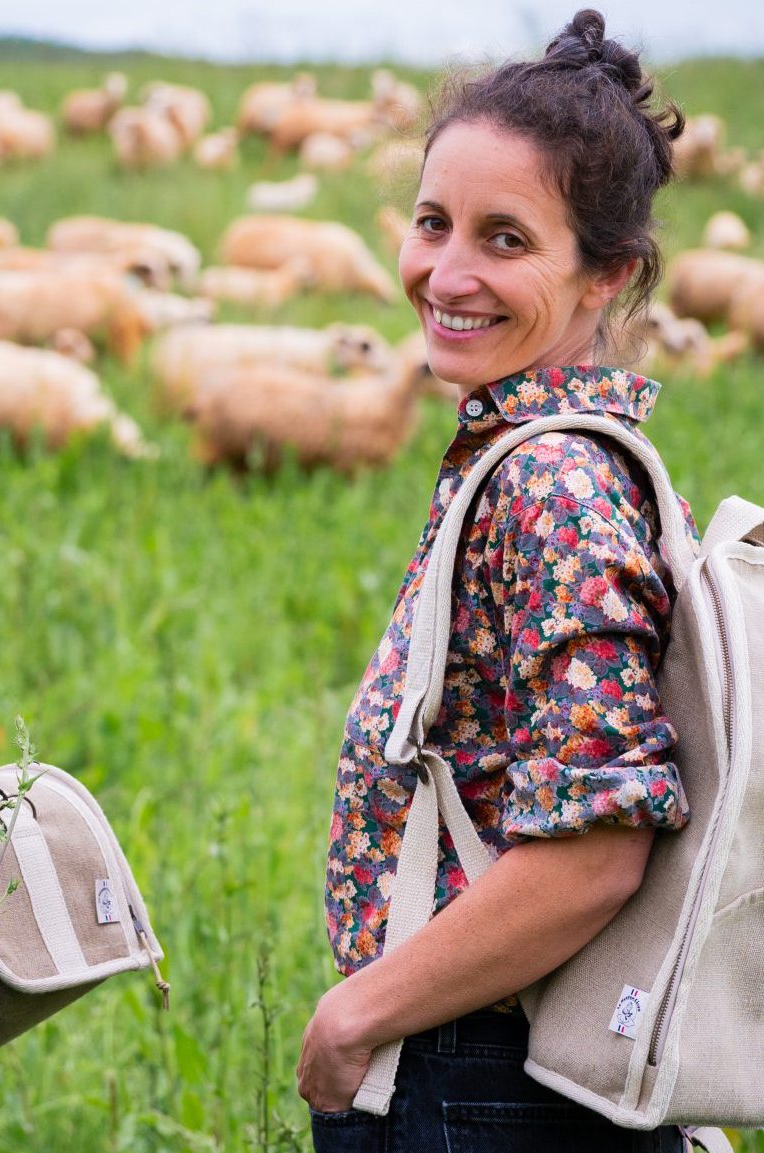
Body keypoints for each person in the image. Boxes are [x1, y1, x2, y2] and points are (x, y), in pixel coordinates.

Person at [297, 11, 697, 1150]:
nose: (445, 272)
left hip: (487, 1077)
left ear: (603, 276)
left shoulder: (554, 481)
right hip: (478, 1059)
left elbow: (596, 842)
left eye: (505, 240)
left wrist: (353, 1014)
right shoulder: (525, 460)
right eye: (432, 223)